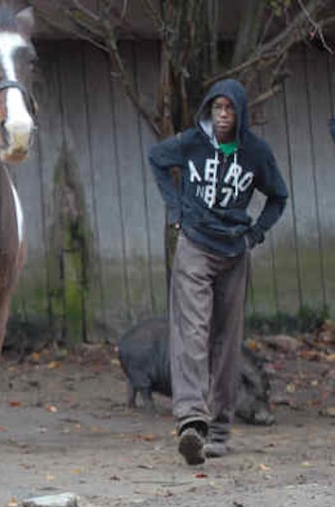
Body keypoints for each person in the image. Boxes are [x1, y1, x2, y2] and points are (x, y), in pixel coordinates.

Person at [148, 79, 288, 466]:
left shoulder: (256, 153)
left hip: (234, 253)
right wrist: (176, 210)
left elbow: (279, 197)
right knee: (192, 331)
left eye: (230, 110)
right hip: (194, 246)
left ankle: (220, 429)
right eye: (217, 108)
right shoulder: (191, 142)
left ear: (240, 114)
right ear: (209, 110)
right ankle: (192, 419)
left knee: (227, 341)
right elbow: (157, 159)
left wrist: (256, 233)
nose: (223, 116)